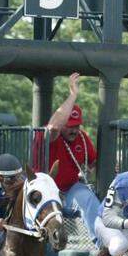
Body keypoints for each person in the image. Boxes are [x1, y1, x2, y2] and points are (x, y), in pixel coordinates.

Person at [47, 72, 100, 242]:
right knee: (50, 232)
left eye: (77, 126)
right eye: (69, 126)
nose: (73, 130)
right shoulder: (53, 137)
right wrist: (73, 95)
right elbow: (54, 126)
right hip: (47, 192)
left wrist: (95, 171)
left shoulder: (83, 137)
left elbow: (94, 162)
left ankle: (102, 244)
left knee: (89, 199)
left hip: (70, 190)